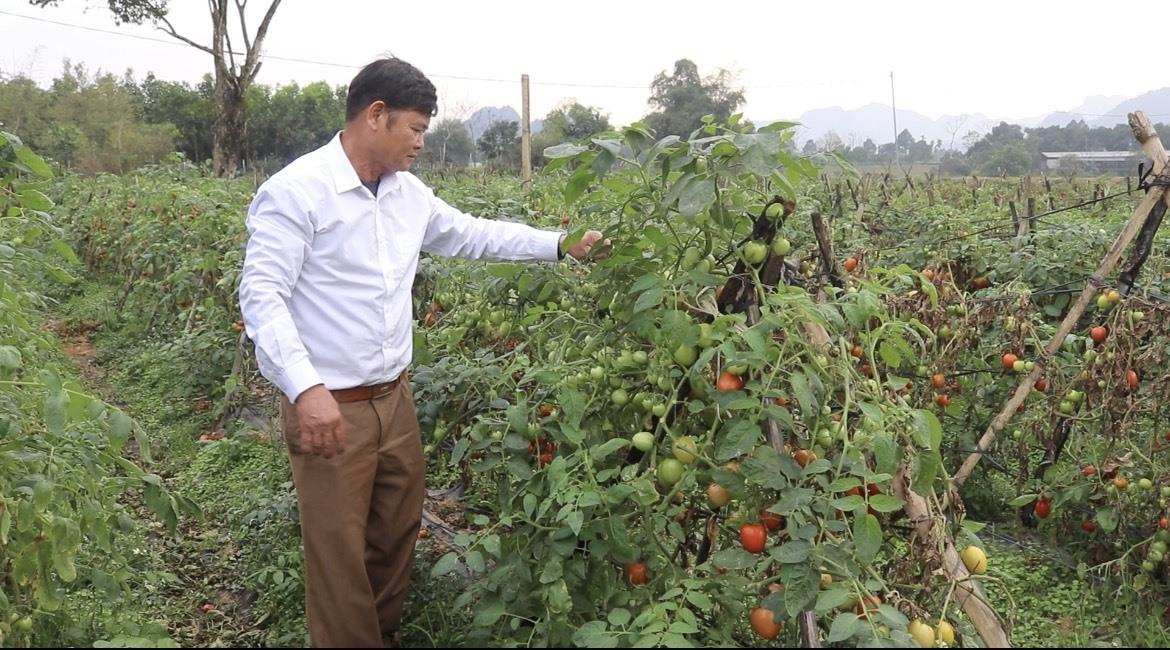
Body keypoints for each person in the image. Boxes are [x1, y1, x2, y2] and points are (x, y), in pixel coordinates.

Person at [238, 57, 606, 648]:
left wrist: (560, 245)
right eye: (414, 129)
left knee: (394, 536)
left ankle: (376, 637)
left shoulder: (407, 195)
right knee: (338, 556)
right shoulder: (297, 192)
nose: (420, 143)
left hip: (394, 399)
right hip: (331, 405)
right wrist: (305, 389)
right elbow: (262, 297)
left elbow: (473, 233)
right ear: (375, 116)